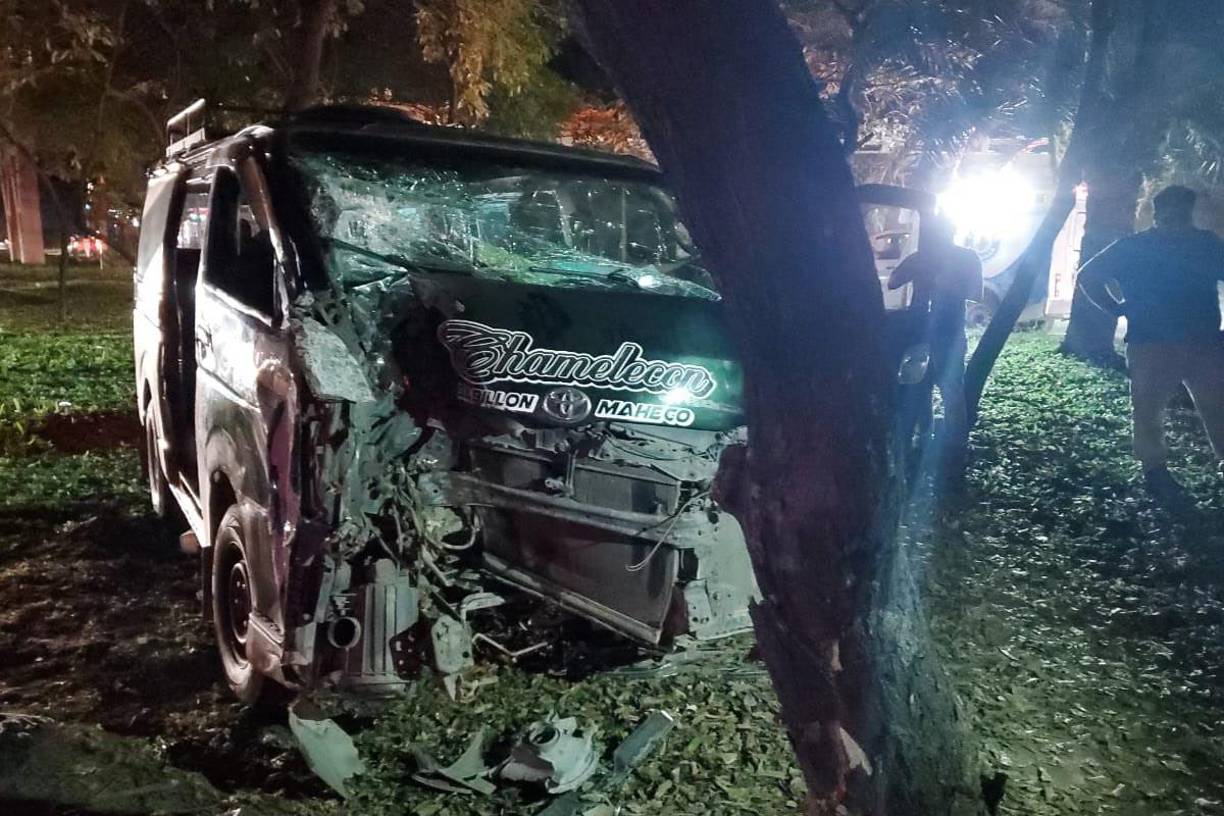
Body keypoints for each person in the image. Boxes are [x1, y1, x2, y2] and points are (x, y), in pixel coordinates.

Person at [1076, 185, 1224, 509]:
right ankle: (1155, 471)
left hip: (1171, 341)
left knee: (1155, 409)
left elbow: (1088, 276)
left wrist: (1116, 309)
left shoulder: (1142, 246)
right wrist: (1115, 309)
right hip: (1181, 342)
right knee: (1161, 409)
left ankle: (1155, 470)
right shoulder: (1201, 244)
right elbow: (1087, 276)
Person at [888, 215, 984, 488]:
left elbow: (976, 293)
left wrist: (945, 283)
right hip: (921, 333)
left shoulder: (965, 258)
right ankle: (920, 447)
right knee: (918, 388)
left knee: (949, 392)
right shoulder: (923, 258)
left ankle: (954, 453)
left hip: (948, 334)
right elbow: (893, 282)